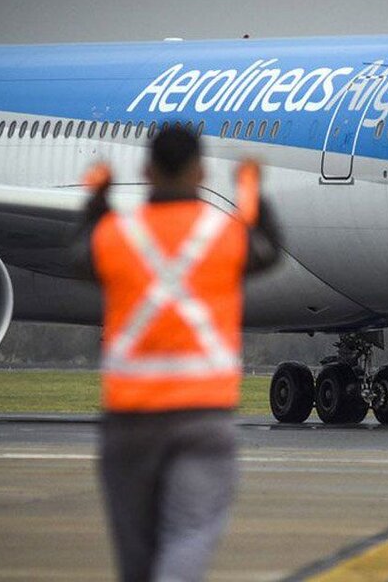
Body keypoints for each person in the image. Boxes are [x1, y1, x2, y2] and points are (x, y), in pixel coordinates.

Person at [76, 126, 281, 581]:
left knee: (136, 557)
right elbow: (268, 249)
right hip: (202, 418)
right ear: (201, 171)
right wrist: (252, 190)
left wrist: (97, 198)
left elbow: (81, 256)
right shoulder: (222, 233)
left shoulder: (117, 232)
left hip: (130, 422)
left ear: (146, 171)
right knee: (188, 536)